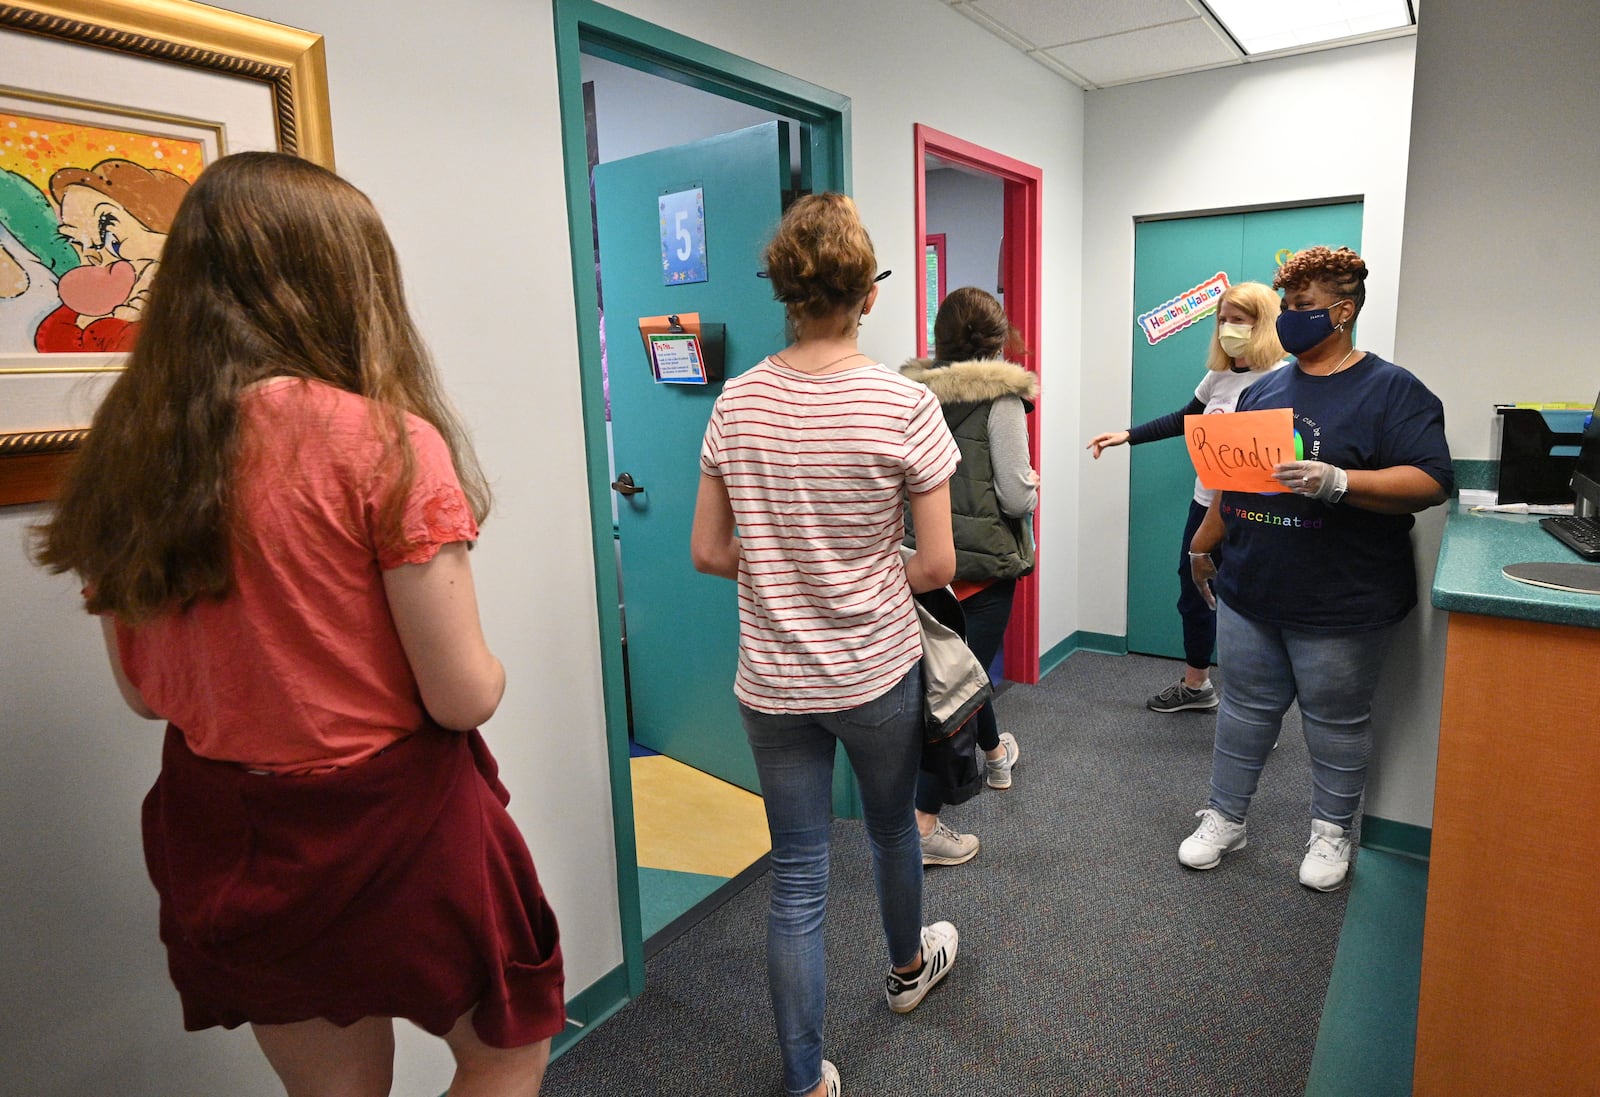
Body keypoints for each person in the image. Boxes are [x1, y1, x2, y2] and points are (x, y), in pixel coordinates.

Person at [33, 151, 564, 1097]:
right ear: (340, 285)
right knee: (507, 1048)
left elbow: (143, 689)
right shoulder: (380, 442)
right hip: (390, 820)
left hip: (229, 829)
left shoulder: (132, 454)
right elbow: (460, 693)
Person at [691, 192, 961, 1097]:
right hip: (875, 671)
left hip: (770, 680)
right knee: (890, 828)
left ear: (784, 291)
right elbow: (938, 564)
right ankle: (904, 972)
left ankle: (805, 1080)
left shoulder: (737, 401)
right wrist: (859, 573)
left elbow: (707, 550)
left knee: (798, 876)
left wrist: (783, 573)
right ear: (869, 295)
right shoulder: (904, 404)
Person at [1178, 245, 1453, 891]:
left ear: (1343, 311)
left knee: (1335, 721)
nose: (1288, 319)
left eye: (1302, 308)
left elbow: (1431, 480)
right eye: (1289, 307)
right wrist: (1202, 548)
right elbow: (1231, 485)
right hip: (1252, 586)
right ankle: (1226, 816)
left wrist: (1339, 481)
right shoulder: (1265, 389)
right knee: (1245, 709)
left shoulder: (1392, 389)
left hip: (1344, 598)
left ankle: (1331, 831)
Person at [1087, 281, 1287, 713]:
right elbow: (1185, 418)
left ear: (1264, 325)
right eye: (1223, 320)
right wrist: (1128, 435)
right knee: (1195, 593)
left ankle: (1257, 709)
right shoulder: (1219, 375)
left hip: (1254, 513)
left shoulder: (1282, 379)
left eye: (1239, 320)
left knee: (1251, 607)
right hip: (1204, 505)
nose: (1228, 328)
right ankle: (1198, 687)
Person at [900, 286, 1038, 866]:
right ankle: (925, 825)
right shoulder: (1000, 398)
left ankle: (995, 754)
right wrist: (1035, 488)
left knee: (960, 671)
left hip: (922, 563)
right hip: (981, 569)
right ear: (997, 335)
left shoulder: (908, 394)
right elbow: (1013, 493)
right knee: (957, 689)